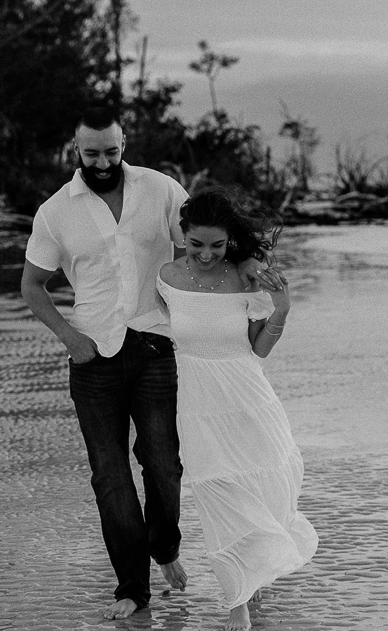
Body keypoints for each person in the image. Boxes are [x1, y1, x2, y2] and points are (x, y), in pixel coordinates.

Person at [20, 108, 269, 619]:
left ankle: (166, 544)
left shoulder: (160, 189)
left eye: (112, 150)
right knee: (109, 476)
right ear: (76, 149)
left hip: (157, 345)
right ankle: (132, 589)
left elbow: (205, 236)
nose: (104, 161)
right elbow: (31, 286)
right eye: (92, 153)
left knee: (164, 465)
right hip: (93, 357)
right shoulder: (55, 212)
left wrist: (244, 260)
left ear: (124, 141)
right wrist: (69, 337)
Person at [156, 187, 318, 631]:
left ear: (231, 241)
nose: (207, 255)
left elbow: (259, 348)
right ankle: (237, 601)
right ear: (182, 237)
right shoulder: (166, 278)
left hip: (247, 396)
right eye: (197, 244)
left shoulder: (246, 277)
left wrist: (281, 306)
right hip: (197, 404)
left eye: (218, 245)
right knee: (216, 492)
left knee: (261, 488)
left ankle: (254, 579)